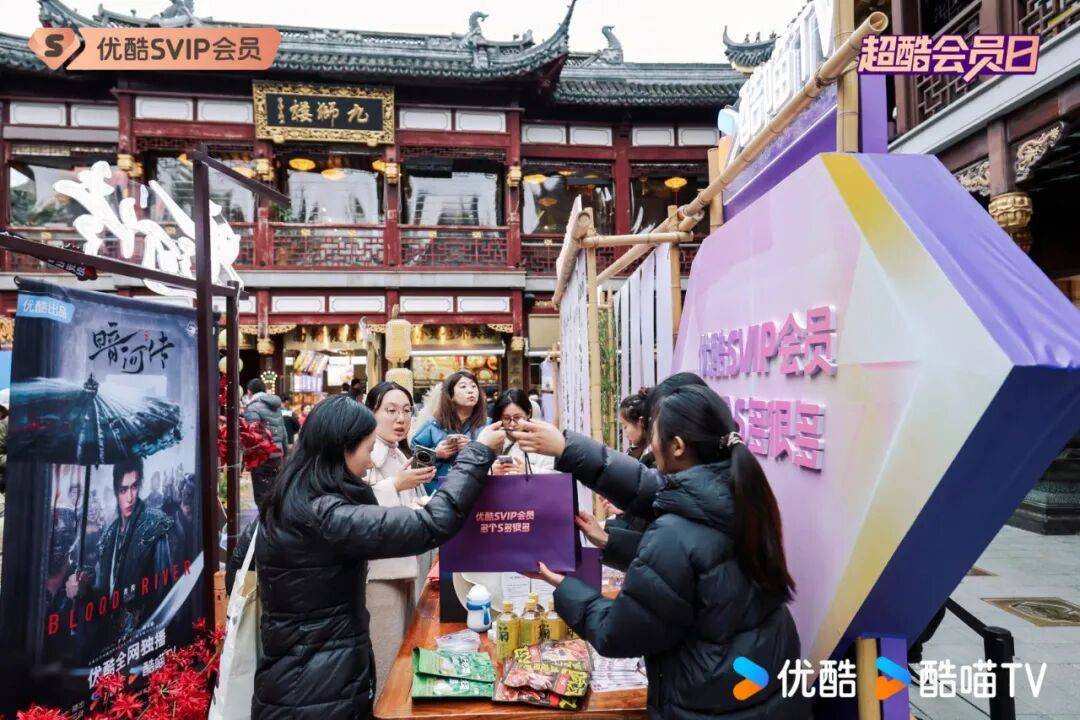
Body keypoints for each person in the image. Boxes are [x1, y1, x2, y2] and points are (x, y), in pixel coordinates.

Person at [515, 385, 805, 720]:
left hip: (709, 702)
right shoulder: (740, 492)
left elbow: (618, 633)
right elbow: (648, 491)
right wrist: (568, 449)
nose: (650, 445)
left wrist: (564, 585)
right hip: (764, 683)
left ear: (677, 446)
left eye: (653, 433)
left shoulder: (674, 532)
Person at [253, 394, 505, 720]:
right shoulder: (325, 516)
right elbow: (431, 525)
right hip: (315, 693)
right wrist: (478, 452)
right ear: (342, 448)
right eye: (367, 450)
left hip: (302, 680)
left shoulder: (291, 498)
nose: (370, 462)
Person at [361, 382, 438, 696]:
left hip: (406, 566)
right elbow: (356, 508)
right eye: (390, 410)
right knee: (387, 656)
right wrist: (396, 485)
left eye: (406, 410)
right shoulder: (366, 454)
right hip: (381, 573)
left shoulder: (398, 453)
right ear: (371, 413)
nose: (401, 418)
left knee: (404, 650)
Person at [66, 457, 180, 643]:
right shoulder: (109, 535)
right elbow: (104, 595)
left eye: (134, 487)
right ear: (116, 490)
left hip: (144, 637)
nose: (130, 497)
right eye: (123, 489)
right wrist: (84, 589)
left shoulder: (154, 525)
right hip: (111, 640)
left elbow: (164, 596)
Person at [411, 370, 487, 494]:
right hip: (437, 492)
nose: (470, 390)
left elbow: (495, 459)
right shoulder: (433, 425)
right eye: (463, 386)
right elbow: (414, 463)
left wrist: (471, 448)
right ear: (451, 396)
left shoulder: (487, 425)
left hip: (476, 490)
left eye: (474, 386)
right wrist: (436, 454)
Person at [243, 378, 289, 507]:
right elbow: (284, 433)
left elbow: (252, 437)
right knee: (275, 492)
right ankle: (274, 517)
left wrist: (246, 459)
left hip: (261, 457)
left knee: (261, 494)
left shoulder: (252, 407)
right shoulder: (276, 407)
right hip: (277, 455)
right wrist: (285, 454)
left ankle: (265, 518)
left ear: (249, 391)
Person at [490, 389, 554, 475]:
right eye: (506, 418)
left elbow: (555, 477)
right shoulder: (492, 441)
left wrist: (530, 471)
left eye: (517, 418)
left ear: (528, 414)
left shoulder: (541, 441)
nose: (512, 424)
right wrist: (491, 472)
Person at [618, 388, 650, 462]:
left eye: (625, 426)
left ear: (641, 422)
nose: (625, 434)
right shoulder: (633, 453)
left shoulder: (652, 458)